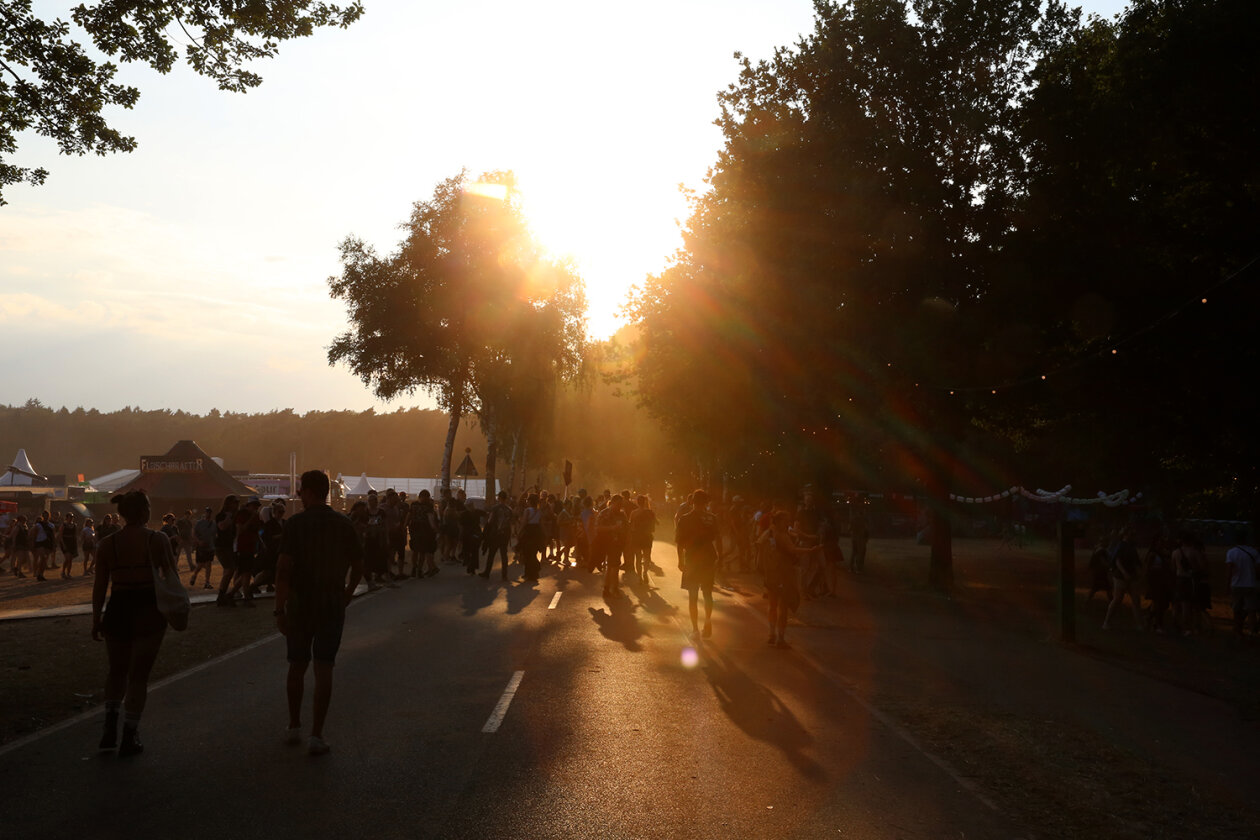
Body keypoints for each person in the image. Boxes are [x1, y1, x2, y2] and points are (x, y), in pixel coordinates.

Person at [274, 470, 364, 756]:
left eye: (301, 490)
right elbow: (359, 565)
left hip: (301, 605)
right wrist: (347, 593)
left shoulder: (294, 524)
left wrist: (279, 609)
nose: (299, 495)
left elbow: (283, 570)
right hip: (331, 604)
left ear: (310, 492)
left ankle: (293, 725)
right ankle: (316, 734)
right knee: (324, 667)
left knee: (296, 665)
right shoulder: (344, 523)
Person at [91, 490, 177, 756]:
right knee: (139, 675)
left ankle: (109, 727)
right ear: (142, 512)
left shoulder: (107, 544)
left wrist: (96, 618)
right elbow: (171, 577)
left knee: (116, 671)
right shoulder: (157, 540)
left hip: (118, 607)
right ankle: (130, 734)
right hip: (148, 608)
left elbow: (100, 585)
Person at [760, 510, 809, 647]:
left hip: (770, 574)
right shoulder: (781, 535)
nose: (788, 523)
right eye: (786, 520)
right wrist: (810, 551)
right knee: (783, 608)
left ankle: (771, 634)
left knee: (773, 605)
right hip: (783, 574)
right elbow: (792, 550)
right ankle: (780, 638)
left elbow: (759, 548)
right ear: (779, 521)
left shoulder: (768, 534)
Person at [676, 489, 721, 638]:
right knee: (708, 594)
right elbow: (718, 539)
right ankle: (707, 623)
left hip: (692, 559)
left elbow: (680, 543)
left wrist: (680, 560)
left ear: (692, 502)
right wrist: (720, 557)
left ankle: (695, 629)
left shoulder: (684, 518)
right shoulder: (712, 518)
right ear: (706, 503)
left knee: (693, 595)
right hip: (708, 558)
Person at [1102, 528, 1143, 631]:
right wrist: (1124, 573)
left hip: (1131, 576)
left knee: (1136, 600)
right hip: (1121, 577)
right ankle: (1106, 622)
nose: (1132, 536)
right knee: (1117, 599)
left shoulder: (1131, 547)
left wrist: (1138, 573)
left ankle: (1139, 624)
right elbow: (1117, 561)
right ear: (1124, 535)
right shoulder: (1121, 546)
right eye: (1130, 534)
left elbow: (1135, 562)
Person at [1224, 535, 1259, 639]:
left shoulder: (1231, 552)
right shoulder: (1253, 552)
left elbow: (1230, 570)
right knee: (1251, 610)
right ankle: (1252, 631)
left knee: (1237, 609)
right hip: (1250, 584)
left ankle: (1238, 630)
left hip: (1236, 584)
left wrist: (1227, 584)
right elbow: (1258, 569)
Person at [481, 491, 514, 580]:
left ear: (499, 498)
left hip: (496, 534)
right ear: (506, 498)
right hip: (505, 534)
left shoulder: (495, 508)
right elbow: (511, 523)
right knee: (504, 554)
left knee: (491, 554)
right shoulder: (509, 509)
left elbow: (490, 521)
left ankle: (487, 572)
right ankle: (504, 575)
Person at [190, 507, 216, 589]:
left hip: (210, 547)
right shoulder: (199, 523)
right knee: (201, 564)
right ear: (205, 513)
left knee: (208, 564)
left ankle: (207, 582)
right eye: (207, 512)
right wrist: (198, 541)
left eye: (210, 512)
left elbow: (215, 535)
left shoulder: (213, 524)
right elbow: (193, 533)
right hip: (201, 547)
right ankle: (194, 575)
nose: (208, 514)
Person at [849, 494, 869, 574]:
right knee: (858, 551)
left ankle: (854, 567)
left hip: (858, 533)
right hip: (858, 534)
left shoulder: (858, 510)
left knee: (856, 551)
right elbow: (860, 522)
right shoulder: (859, 511)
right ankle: (857, 568)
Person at [57, 512, 79, 580]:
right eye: (70, 517)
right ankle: (64, 572)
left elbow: (75, 535)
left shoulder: (74, 525)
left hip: (72, 543)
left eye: (72, 517)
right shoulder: (63, 525)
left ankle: (68, 573)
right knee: (68, 558)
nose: (71, 518)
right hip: (65, 542)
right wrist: (63, 544)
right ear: (67, 518)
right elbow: (60, 535)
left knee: (70, 559)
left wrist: (76, 544)